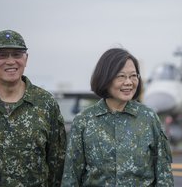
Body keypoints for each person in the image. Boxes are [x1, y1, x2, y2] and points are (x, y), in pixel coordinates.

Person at [62, 48, 174, 186]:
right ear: (105, 78)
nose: (129, 82)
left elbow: (164, 174)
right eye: (121, 76)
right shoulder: (84, 121)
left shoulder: (149, 118)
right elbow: (71, 176)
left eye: (133, 76)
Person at [0, 30, 66, 186]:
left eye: (17, 54)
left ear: (26, 59)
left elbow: (57, 163)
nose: (10, 61)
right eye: (2, 55)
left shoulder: (46, 103)